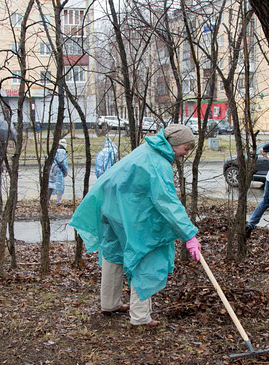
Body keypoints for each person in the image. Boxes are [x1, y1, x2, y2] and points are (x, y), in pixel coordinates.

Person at [70, 124, 201, 327]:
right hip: (129, 213)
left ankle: (110, 304)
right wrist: (189, 234)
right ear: (174, 144)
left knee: (113, 254)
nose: (184, 154)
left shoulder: (146, 150)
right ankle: (140, 317)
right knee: (144, 255)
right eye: (185, 149)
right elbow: (167, 202)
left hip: (110, 207)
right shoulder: (159, 163)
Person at [48, 139, 70, 205]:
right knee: (60, 186)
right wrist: (65, 171)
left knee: (50, 185)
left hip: (50, 169)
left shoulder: (54, 150)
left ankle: (47, 201)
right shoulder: (61, 152)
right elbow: (62, 162)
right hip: (57, 171)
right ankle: (58, 202)